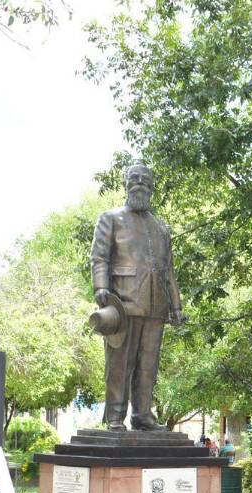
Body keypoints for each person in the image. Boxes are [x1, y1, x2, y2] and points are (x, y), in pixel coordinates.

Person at [89, 163, 187, 431]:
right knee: (120, 364)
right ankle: (115, 417)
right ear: (126, 183)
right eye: (135, 178)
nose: (140, 183)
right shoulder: (111, 218)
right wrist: (100, 288)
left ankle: (142, 414)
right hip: (122, 303)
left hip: (156, 306)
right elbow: (99, 257)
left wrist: (176, 305)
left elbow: (169, 271)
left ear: (152, 186)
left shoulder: (161, 228)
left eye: (145, 179)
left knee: (148, 365)